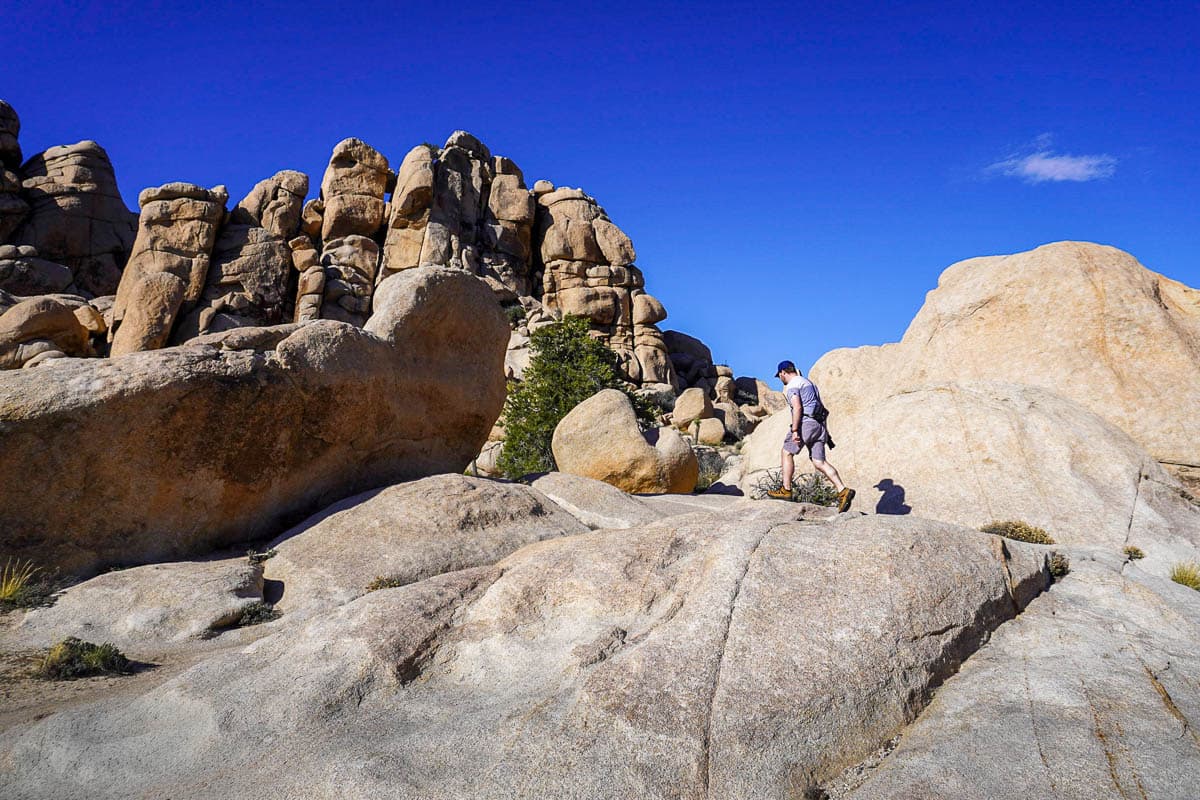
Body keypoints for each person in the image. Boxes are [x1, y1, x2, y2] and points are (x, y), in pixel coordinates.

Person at [766, 360, 855, 512]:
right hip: (819, 425)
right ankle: (842, 490)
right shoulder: (809, 383)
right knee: (819, 461)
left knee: (786, 452)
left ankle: (786, 489)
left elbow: (798, 407)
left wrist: (795, 430)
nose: (780, 379)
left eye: (779, 376)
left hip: (806, 423)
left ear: (783, 373)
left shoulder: (793, 385)